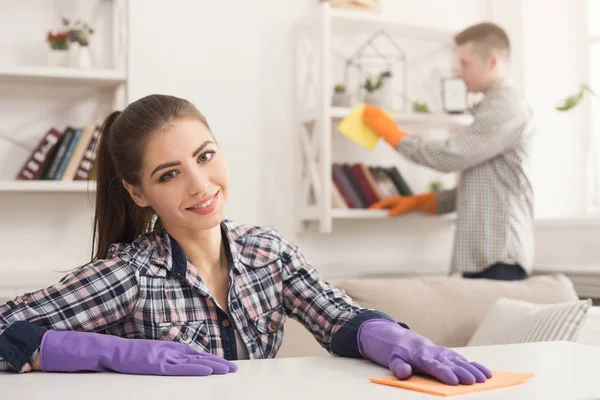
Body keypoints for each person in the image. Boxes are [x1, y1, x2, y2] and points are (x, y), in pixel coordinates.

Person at [0, 94, 491, 385]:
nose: (199, 184)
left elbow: (332, 315)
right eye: (169, 174)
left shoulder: (267, 252)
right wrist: (109, 353)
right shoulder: (128, 276)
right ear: (138, 192)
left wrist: (381, 334)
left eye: (205, 156)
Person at [363, 22, 535, 281]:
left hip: (498, 256)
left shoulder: (506, 108)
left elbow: (450, 156)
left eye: (465, 64)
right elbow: (485, 189)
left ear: (492, 61)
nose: (459, 72)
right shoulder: (492, 108)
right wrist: (425, 202)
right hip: (488, 256)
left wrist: (394, 135)